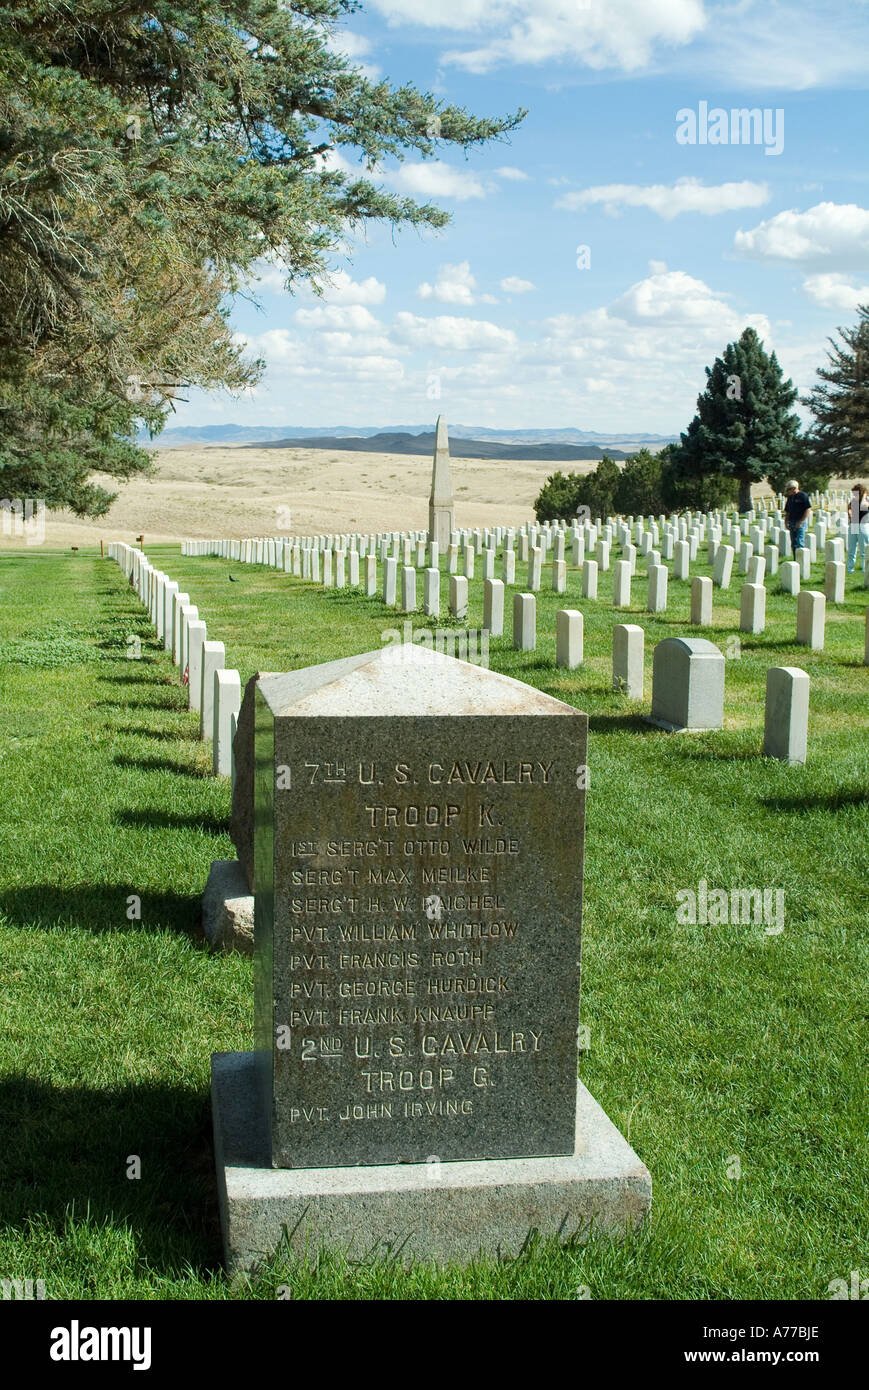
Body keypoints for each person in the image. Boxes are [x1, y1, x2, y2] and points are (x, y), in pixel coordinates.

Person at [784, 480, 812, 554]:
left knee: (800, 542)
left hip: (800, 521)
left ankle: (801, 561)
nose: (787, 491)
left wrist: (801, 521)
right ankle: (795, 560)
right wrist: (786, 522)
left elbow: (808, 509)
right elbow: (787, 511)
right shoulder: (790, 498)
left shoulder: (803, 496)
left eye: (788, 489)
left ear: (794, 488)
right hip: (791, 521)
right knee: (793, 543)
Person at [846, 482, 869, 573]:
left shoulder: (866, 499)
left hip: (863, 525)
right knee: (852, 549)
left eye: (855, 492)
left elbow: (863, 506)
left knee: (864, 550)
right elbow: (849, 507)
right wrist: (849, 516)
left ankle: (864, 569)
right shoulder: (854, 500)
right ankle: (850, 569)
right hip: (854, 524)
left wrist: (864, 496)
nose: (853, 494)